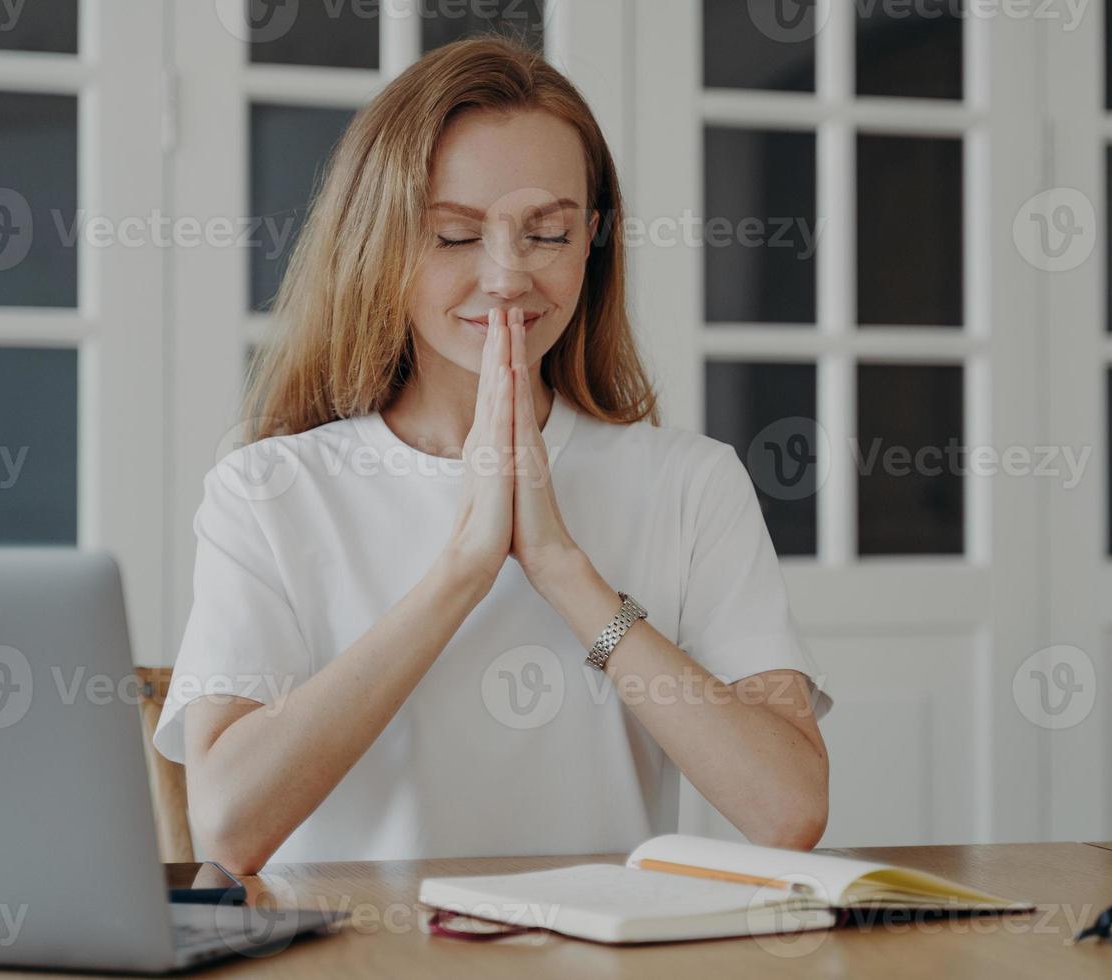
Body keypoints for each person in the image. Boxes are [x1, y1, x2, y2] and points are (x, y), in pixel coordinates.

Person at [153, 35, 833, 872]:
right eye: (453, 235)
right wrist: (464, 570)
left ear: (593, 243)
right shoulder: (269, 490)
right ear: (382, 246)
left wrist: (562, 570)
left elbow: (788, 809)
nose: (508, 276)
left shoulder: (691, 483)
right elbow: (227, 824)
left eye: (547, 233)